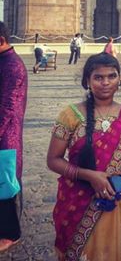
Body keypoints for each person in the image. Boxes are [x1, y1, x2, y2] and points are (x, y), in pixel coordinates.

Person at [46, 53, 121, 260]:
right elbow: (53, 159)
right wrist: (90, 175)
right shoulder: (70, 115)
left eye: (112, 76)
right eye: (98, 77)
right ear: (87, 82)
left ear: (119, 80)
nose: (105, 82)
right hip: (77, 198)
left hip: (112, 197)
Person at [0, 22, 28, 253]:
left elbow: (8, 106)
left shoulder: (13, 66)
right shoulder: (4, 61)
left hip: (5, 135)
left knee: (5, 184)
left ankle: (11, 233)